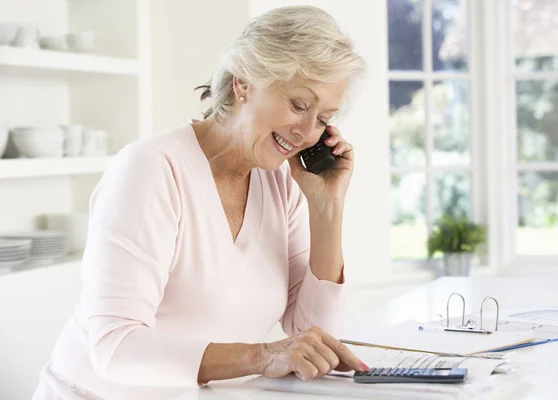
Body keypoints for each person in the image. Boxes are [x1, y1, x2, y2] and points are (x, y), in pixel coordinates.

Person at [33, 5, 367, 400]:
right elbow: (115, 345)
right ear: (244, 84)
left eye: (324, 117)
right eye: (298, 105)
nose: (308, 133)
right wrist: (262, 356)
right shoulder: (151, 169)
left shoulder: (282, 183)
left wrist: (326, 207)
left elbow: (312, 334)